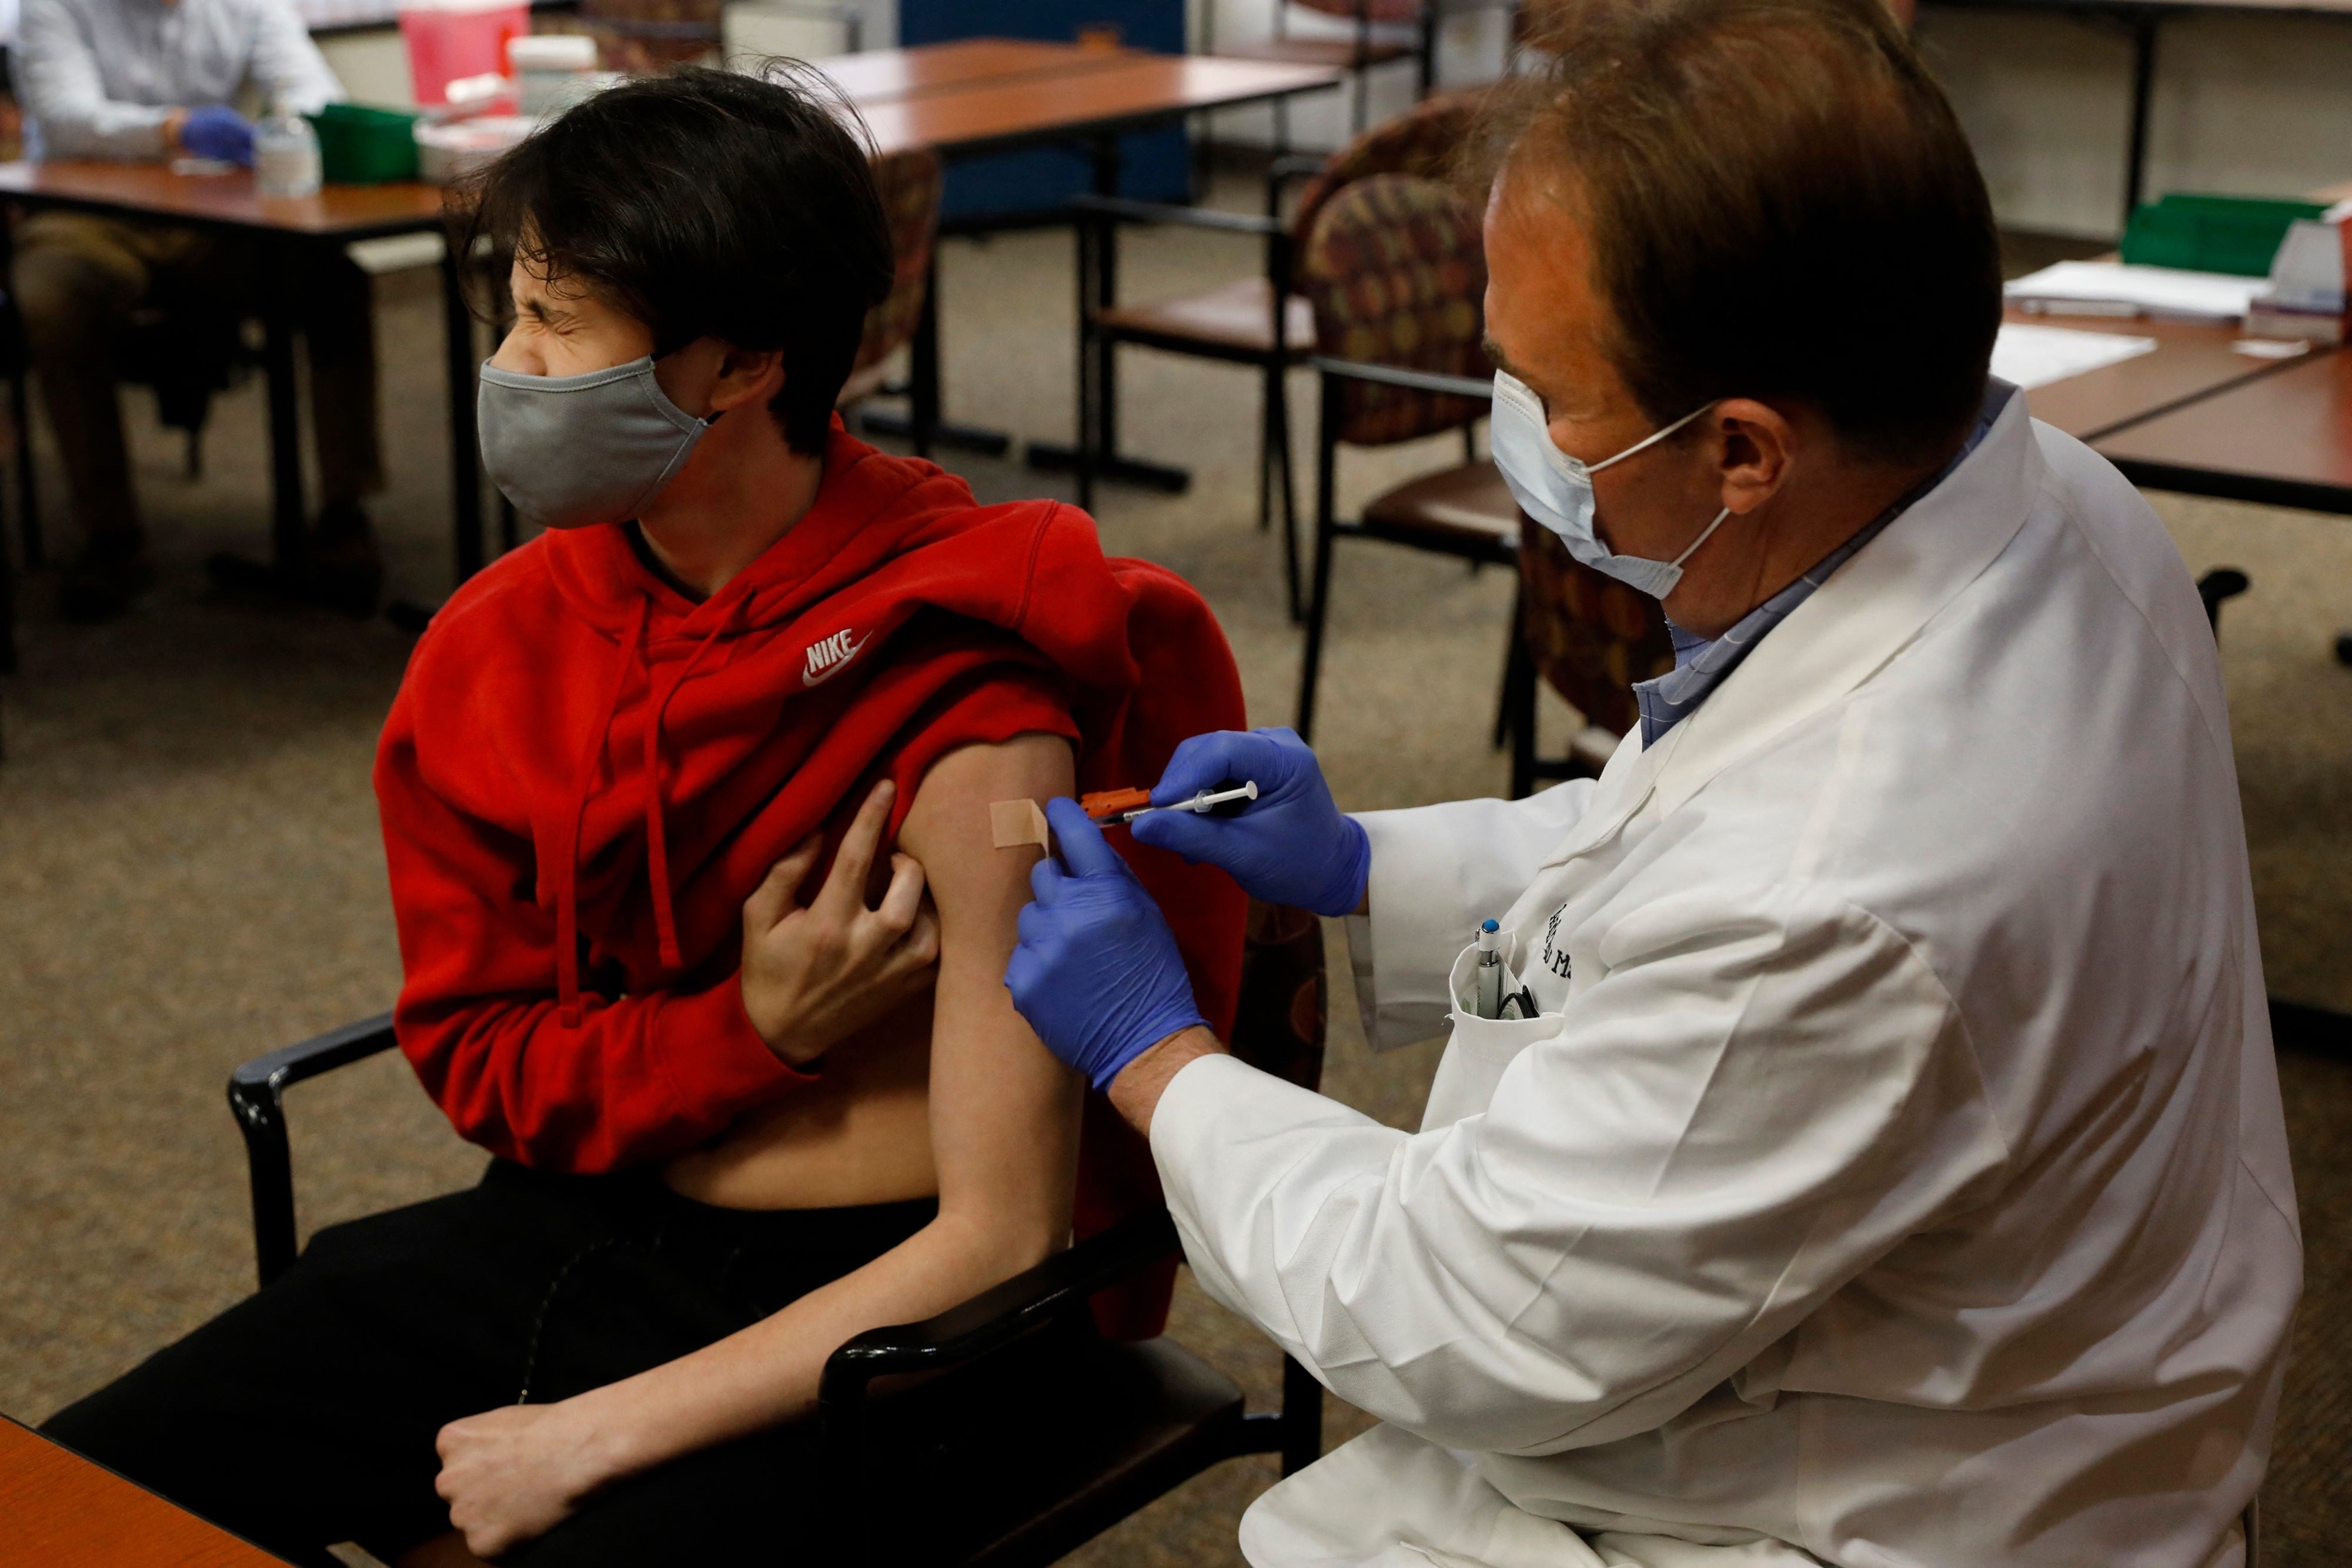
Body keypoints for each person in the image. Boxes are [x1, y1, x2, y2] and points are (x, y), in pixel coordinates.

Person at [1004, 1, 2303, 1564]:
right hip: (2029, 1357)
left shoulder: (1842, 885)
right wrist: (1364, 860)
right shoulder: (2040, 499)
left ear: (1745, 450)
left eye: (1553, 397)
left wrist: (1155, 1061)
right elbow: (1675, 833)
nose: (1527, 442)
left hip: (1867, 1511)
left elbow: (1467, 1312)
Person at [41, 66, 1246, 1567]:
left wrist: (594, 1431)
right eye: (514, 311)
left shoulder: (962, 670)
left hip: (885, 1307)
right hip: (570, 1217)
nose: (507, 363)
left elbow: (998, 1236)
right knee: (80, 1504)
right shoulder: (496, 647)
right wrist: (754, 1030)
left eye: (554, 322)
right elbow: (479, 1051)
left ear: (740, 365)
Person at [12, 0, 385, 618]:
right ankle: (110, 534)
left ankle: (345, 511)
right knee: (52, 298)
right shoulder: (53, 6)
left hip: (216, 215)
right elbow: (65, 117)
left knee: (331, 280)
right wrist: (174, 129)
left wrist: (286, 123)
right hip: (90, 212)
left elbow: (312, 90)